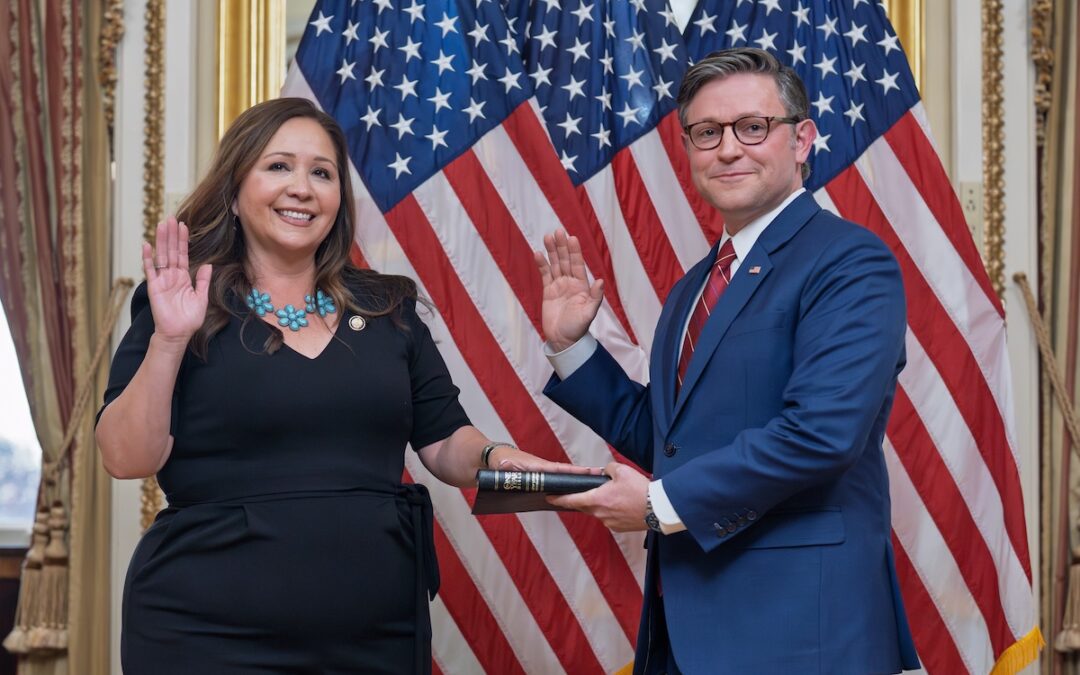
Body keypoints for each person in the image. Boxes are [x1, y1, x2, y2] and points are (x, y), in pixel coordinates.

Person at [96, 97, 565, 674]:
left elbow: (445, 440)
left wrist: (498, 458)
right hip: (203, 631)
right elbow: (125, 458)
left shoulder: (387, 307)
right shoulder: (183, 304)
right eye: (278, 166)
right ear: (234, 192)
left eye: (322, 173)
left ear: (339, 198)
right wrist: (169, 340)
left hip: (375, 631)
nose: (302, 188)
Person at [535, 48, 921, 674]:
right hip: (686, 628)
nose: (729, 149)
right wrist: (572, 346)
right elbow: (673, 441)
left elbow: (822, 434)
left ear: (802, 139)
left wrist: (659, 505)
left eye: (752, 127)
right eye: (708, 133)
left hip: (800, 631)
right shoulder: (694, 287)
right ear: (689, 149)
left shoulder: (851, 261)